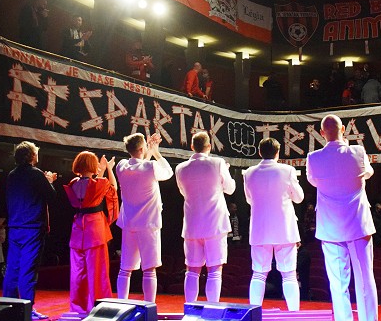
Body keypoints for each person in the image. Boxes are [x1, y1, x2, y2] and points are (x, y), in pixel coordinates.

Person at [306, 114, 381, 321]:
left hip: (331, 227)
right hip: (358, 224)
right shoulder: (357, 152)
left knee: (338, 283)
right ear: (343, 130)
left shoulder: (313, 158)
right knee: (365, 279)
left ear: (322, 133)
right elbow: (368, 172)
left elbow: (314, 181)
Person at [244, 137, 305, 311]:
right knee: (289, 274)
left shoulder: (249, 172)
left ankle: (253, 314)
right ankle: (293, 314)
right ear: (278, 153)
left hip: (260, 229)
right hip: (284, 229)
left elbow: (249, 199)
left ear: (259, 152)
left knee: (258, 273)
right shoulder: (287, 170)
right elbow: (299, 198)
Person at [175, 131, 236, 303]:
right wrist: (225, 173)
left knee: (192, 271)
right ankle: (212, 308)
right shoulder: (217, 163)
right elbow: (230, 188)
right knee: (215, 270)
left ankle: (189, 307)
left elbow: (183, 192)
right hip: (215, 224)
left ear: (192, 147)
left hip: (192, 224)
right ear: (209, 146)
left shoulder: (180, 168)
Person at [115, 132, 173, 303]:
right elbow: (168, 172)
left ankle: (121, 302)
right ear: (142, 149)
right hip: (148, 224)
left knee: (125, 269)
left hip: (129, 223)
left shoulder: (121, 166)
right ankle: (149, 304)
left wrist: (147, 150)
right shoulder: (150, 167)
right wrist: (156, 152)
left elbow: (140, 166)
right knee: (149, 269)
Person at [3, 141, 58, 321]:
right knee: (28, 269)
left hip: (15, 226)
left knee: (12, 267)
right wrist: (49, 181)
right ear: (32, 156)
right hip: (32, 227)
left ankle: (8, 307)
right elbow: (52, 196)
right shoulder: (36, 174)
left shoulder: (12, 174)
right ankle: (27, 309)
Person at [63, 151, 118, 314]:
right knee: (98, 271)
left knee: (78, 271)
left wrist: (101, 171)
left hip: (78, 228)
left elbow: (93, 185)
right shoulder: (99, 183)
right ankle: (100, 305)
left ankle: (78, 307)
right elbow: (112, 189)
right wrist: (108, 169)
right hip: (94, 230)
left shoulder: (72, 183)